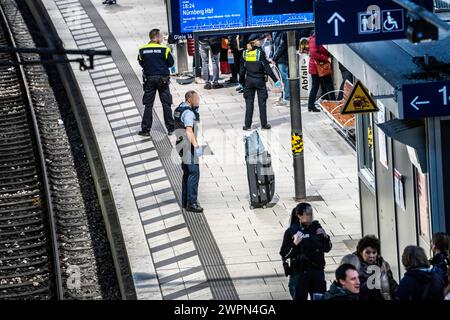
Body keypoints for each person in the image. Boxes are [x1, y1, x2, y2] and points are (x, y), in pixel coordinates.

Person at [279, 203, 332, 300]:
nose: (310, 216)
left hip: (317, 272)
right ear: (299, 215)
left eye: (311, 214)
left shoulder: (316, 227)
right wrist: (294, 244)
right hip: (300, 274)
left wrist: (326, 237)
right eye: (307, 214)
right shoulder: (292, 231)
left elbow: (327, 249)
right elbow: (284, 253)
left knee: (319, 298)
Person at [138, 29, 175, 136]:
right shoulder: (165, 49)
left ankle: (145, 130)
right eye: (161, 36)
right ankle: (171, 128)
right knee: (166, 104)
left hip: (149, 79)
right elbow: (171, 63)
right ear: (157, 37)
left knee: (148, 105)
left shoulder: (142, 50)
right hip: (162, 80)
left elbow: (141, 63)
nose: (162, 38)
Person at [240, 34, 281, 131]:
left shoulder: (245, 53)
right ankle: (264, 124)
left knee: (249, 103)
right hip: (259, 81)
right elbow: (267, 68)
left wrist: (241, 82)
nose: (261, 41)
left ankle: (247, 125)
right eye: (259, 40)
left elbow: (242, 69)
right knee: (262, 103)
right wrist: (275, 80)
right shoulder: (260, 53)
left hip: (249, 81)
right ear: (255, 42)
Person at [340, 235, 398, 300]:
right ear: (361, 252)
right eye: (368, 252)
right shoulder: (354, 266)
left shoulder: (383, 265)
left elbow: (392, 285)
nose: (371, 256)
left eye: (374, 252)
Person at [173, 91, 203, 213]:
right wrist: (196, 147)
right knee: (194, 173)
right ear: (189, 100)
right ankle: (192, 203)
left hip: (180, 144)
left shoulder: (179, 108)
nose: (198, 101)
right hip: (187, 146)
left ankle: (185, 201)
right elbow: (189, 131)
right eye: (196, 99)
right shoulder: (188, 113)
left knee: (187, 173)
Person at [307, 30, 335, 112]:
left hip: (321, 66)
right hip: (317, 67)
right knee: (318, 86)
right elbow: (314, 54)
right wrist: (326, 58)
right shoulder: (313, 40)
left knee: (327, 84)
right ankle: (311, 105)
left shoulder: (319, 39)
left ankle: (331, 103)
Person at [271, 31, 289, 104]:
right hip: (278, 59)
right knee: (282, 78)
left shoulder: (282, 33)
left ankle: (287, 96)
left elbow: (281, 47)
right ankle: (284, 95)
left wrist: (274, 58)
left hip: (282, 59)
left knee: (284, 78)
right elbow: (274, 46)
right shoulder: (275, 33)